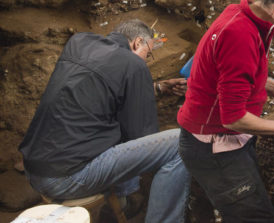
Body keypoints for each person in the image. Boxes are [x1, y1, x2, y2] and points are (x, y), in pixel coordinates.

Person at [177, 0, 274, 223]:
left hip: (225, 141)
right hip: (214, 147)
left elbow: (226, 72)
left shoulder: (243, 14)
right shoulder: (239, 34)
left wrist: (267, 84)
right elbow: (232, 117)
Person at [19, 19, 190, 223]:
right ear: (137, 43)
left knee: (111, 123)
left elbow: (102, 91)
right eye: (148, 53)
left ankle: (122, 202)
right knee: (179, 144)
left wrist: (158, 87)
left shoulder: (79, 43)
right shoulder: (134, 64)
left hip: (34, 169)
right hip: (66, 178)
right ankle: (144, 210)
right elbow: (142, 136)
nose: (146, 60)